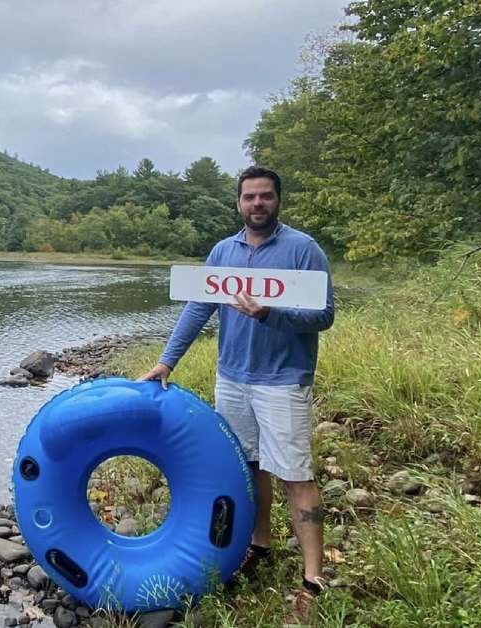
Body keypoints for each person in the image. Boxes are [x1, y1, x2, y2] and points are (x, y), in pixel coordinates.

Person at [139, 166, 334, 599]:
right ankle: (259, 546)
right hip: (232, 380)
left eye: (265, 196)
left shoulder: (304, 249)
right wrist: (167, 361)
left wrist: (270, 313)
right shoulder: (223, 251)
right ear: (239, 202)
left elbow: (324, 316)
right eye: (249, 197)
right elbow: (197, 308)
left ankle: (313, 581)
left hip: (283, 382)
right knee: (248, 468)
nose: (257, 204)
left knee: (296, 475)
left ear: (278, 200)